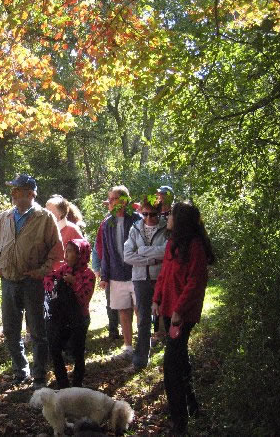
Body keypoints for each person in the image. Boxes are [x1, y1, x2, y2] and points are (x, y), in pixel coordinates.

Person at [0, 174, 62, 389]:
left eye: (17, 190)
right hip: (9, 281)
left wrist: (42, 272)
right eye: (13, 190)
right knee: (10, 330)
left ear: (31, 194)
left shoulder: (45, 218)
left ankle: (40, 376)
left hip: (32, 283)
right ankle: (21, 370)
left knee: (38, 332)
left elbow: (57, 252)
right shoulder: (4, 217)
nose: (12, 194)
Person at [151, 202, 215, 435]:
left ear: (182, 220)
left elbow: (195, 283)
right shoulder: (172, 244)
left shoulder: (195, 247)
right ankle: (192, 406)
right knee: (180, 360)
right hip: (169, 310)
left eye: (172, 215)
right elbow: (164, 275)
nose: (167, 217)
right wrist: (156, 299)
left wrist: (179, 310)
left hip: (183, 314)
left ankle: (179, 421)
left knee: (171, 366)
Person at [123, 197, 168, 373]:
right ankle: (140, 360)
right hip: (141, 280)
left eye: (153, 214)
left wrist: (141, 252)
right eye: (145, 214)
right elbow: (127, 256)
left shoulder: (166, 228)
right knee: (143, 319)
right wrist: (153, 259)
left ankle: (169, 359)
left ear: (159, 212)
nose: (149, 218)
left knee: (166, 317)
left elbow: (168, 251)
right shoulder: (135, 228)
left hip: (161, 278)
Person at [43, 239, 95, 388]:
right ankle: (63, 384)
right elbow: (48, 278)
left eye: (71, 251)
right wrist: (52, 284)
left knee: (78, 352)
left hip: (79, 319)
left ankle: (78, 383)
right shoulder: (63, 269)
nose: (67, 254)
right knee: (55, 349)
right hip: (62, 318)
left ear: (81, 254)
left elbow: (84, 298)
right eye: (66, 250)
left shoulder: (88, 274)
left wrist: (74, 282)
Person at [99, 186, 141, 361]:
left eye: (113, 199)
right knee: (123, 311)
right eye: (109, 199)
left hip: (137, 273)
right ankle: (128, 346)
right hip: (116, 274)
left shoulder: (138, 219)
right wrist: (104, 275)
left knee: (140, 309)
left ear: (124, 201)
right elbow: (106, 252)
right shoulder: (107, 223)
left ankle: (143, 344)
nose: (109, 203)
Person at [90, 194, 120, 341]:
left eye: (111, 203)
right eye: (109, 203)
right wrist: (97, 267)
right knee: (110, 300)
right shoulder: (105, 223)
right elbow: (98, 246)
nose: (109, 205)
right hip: (107, 267)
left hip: (125, 267)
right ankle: (113, 329)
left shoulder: (131, 219)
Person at [45, 195, 83, 271]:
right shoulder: (44, 228)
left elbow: (83, 253)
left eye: (50, 211)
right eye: (45, 210)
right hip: (45, 274)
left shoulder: (72, 230)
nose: (46, 214)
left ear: (60, 214)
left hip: (64, 275)